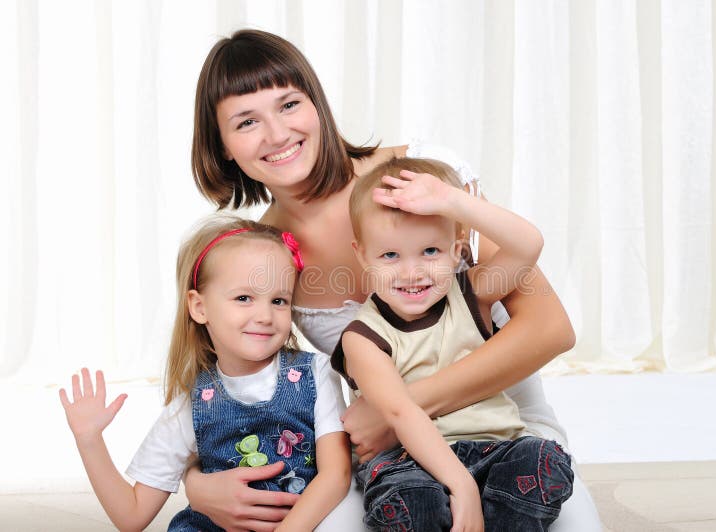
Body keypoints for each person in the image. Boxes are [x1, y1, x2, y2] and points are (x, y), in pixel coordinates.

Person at [184, 28, 602, 532]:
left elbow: (551, 328)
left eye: (289, 104)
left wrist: (394, 411)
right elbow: (233, 380)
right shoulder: (263, 252)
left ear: (316, 104)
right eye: (247, 121)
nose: (276, 134)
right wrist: (193, 479)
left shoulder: (425, 180)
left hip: (506, 425)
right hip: (387, 457)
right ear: (223, 145)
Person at [59, 217, 351, 531]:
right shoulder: (193, 402)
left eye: (278, 300)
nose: (265, 316)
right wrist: (89, 441)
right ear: (199, 307)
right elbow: (132, 516)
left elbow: (336, 476)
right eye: (244, 298)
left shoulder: (315, 373)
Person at [331, 156, 574, 531]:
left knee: (542, 460)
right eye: (390, 255)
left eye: (430, 251)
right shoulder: (363, 338)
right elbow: (399, 413)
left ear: (457, 251)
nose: (412, 272)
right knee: (412, 502)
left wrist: (453, 201)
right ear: (362, 255)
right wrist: (461, 484)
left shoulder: (470, 295)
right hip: (409, 462)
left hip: (495, 446)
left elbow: (528, 244)